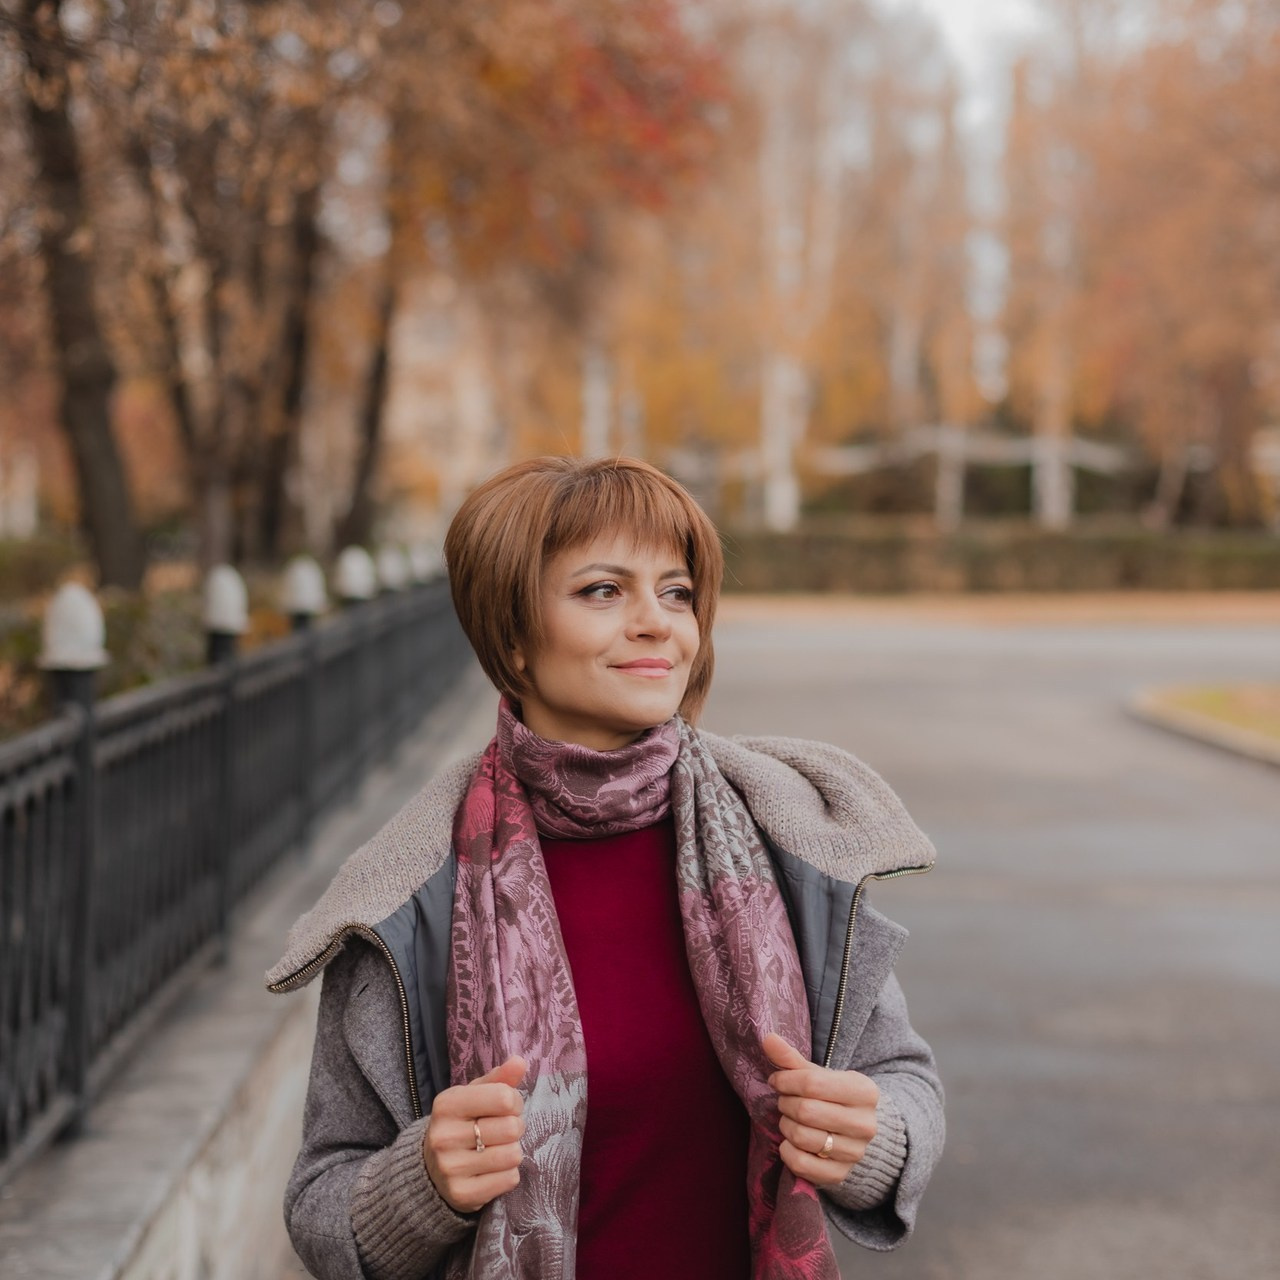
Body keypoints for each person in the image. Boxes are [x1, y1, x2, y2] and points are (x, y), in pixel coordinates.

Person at [269, 456, 943, 1280]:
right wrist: (421, 1185)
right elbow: (320, 1201)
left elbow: (901, 1077)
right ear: (513, 638)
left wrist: (874, 1141)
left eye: (677, 591)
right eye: (602, 590)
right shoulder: (410, 894)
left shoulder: (787, 836)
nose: (658, 622)